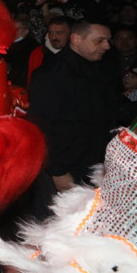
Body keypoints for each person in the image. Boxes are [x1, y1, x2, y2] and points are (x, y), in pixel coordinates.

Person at [27, 19, 119, 220]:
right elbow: (40, 126)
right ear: (76, 39)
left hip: (92, 165)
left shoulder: (100, 69)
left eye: (108, 40)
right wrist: (57, 171)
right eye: (99, 40)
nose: (107, 46)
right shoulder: (51, 74)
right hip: (63, 168)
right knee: (53, 225)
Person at [26, 15, 71, 85]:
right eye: (50, 33)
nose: (53, 37)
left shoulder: (77, 55)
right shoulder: (38, 54)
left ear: (69, 34)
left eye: (59, 33)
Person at [5, 14, 38, 88]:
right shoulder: (7, 44)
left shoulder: (31, 47)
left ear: (26, 31)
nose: (13, 31)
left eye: (17, 29)